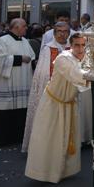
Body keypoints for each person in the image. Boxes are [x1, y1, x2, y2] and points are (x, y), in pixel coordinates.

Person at [25, 33, 87, 183]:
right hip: (53, 103)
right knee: (49, 139)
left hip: (69, 103)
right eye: (77, 45)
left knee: (66, 140)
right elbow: (77, 75)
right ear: (70, 46)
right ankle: (42, 173)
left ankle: (63, 172)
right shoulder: (63, 59)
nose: (80, 49)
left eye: (83, 45)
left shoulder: (86, 58)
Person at [22, 21, 71, 152]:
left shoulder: (72, 48)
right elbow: (42, 74)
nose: (62, 34)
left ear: (69, 33)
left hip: (69, 91)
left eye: (65, 31)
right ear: (54, 34)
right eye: (59, 31)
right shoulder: (48, 49)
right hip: (51, 91)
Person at [0, 18, 34, 146]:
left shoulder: (25, 41)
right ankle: (2, 140)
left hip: (22, 82)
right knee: (4, 113)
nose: (26, 28)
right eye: (24, 26)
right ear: (16, 27)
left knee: (20, 113)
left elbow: (32, 57)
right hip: (5, 83)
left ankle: (18, 139)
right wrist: (19, 59)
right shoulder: (2, 41)